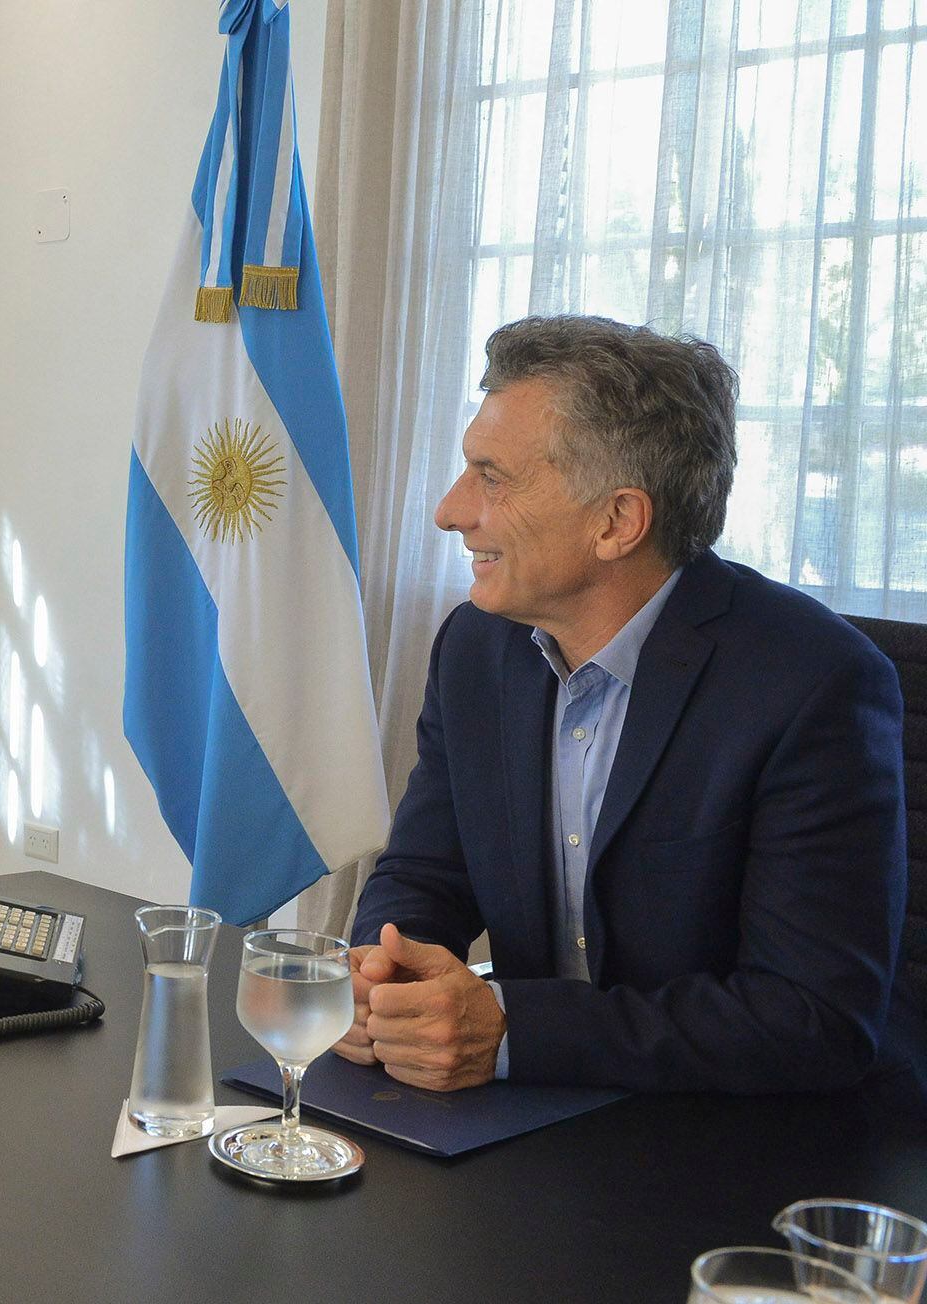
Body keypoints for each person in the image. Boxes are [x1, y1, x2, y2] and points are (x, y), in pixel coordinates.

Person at [338, 315, 916, 1095]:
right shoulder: (478, 647)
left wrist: (511, 1032)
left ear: (617, 521)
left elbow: (810, 1018)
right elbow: (425, 871)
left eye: (492, 477)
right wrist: (384, 972)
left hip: (738, 1149)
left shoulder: (815, 684)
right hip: (529, 1125)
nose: (449, 509)